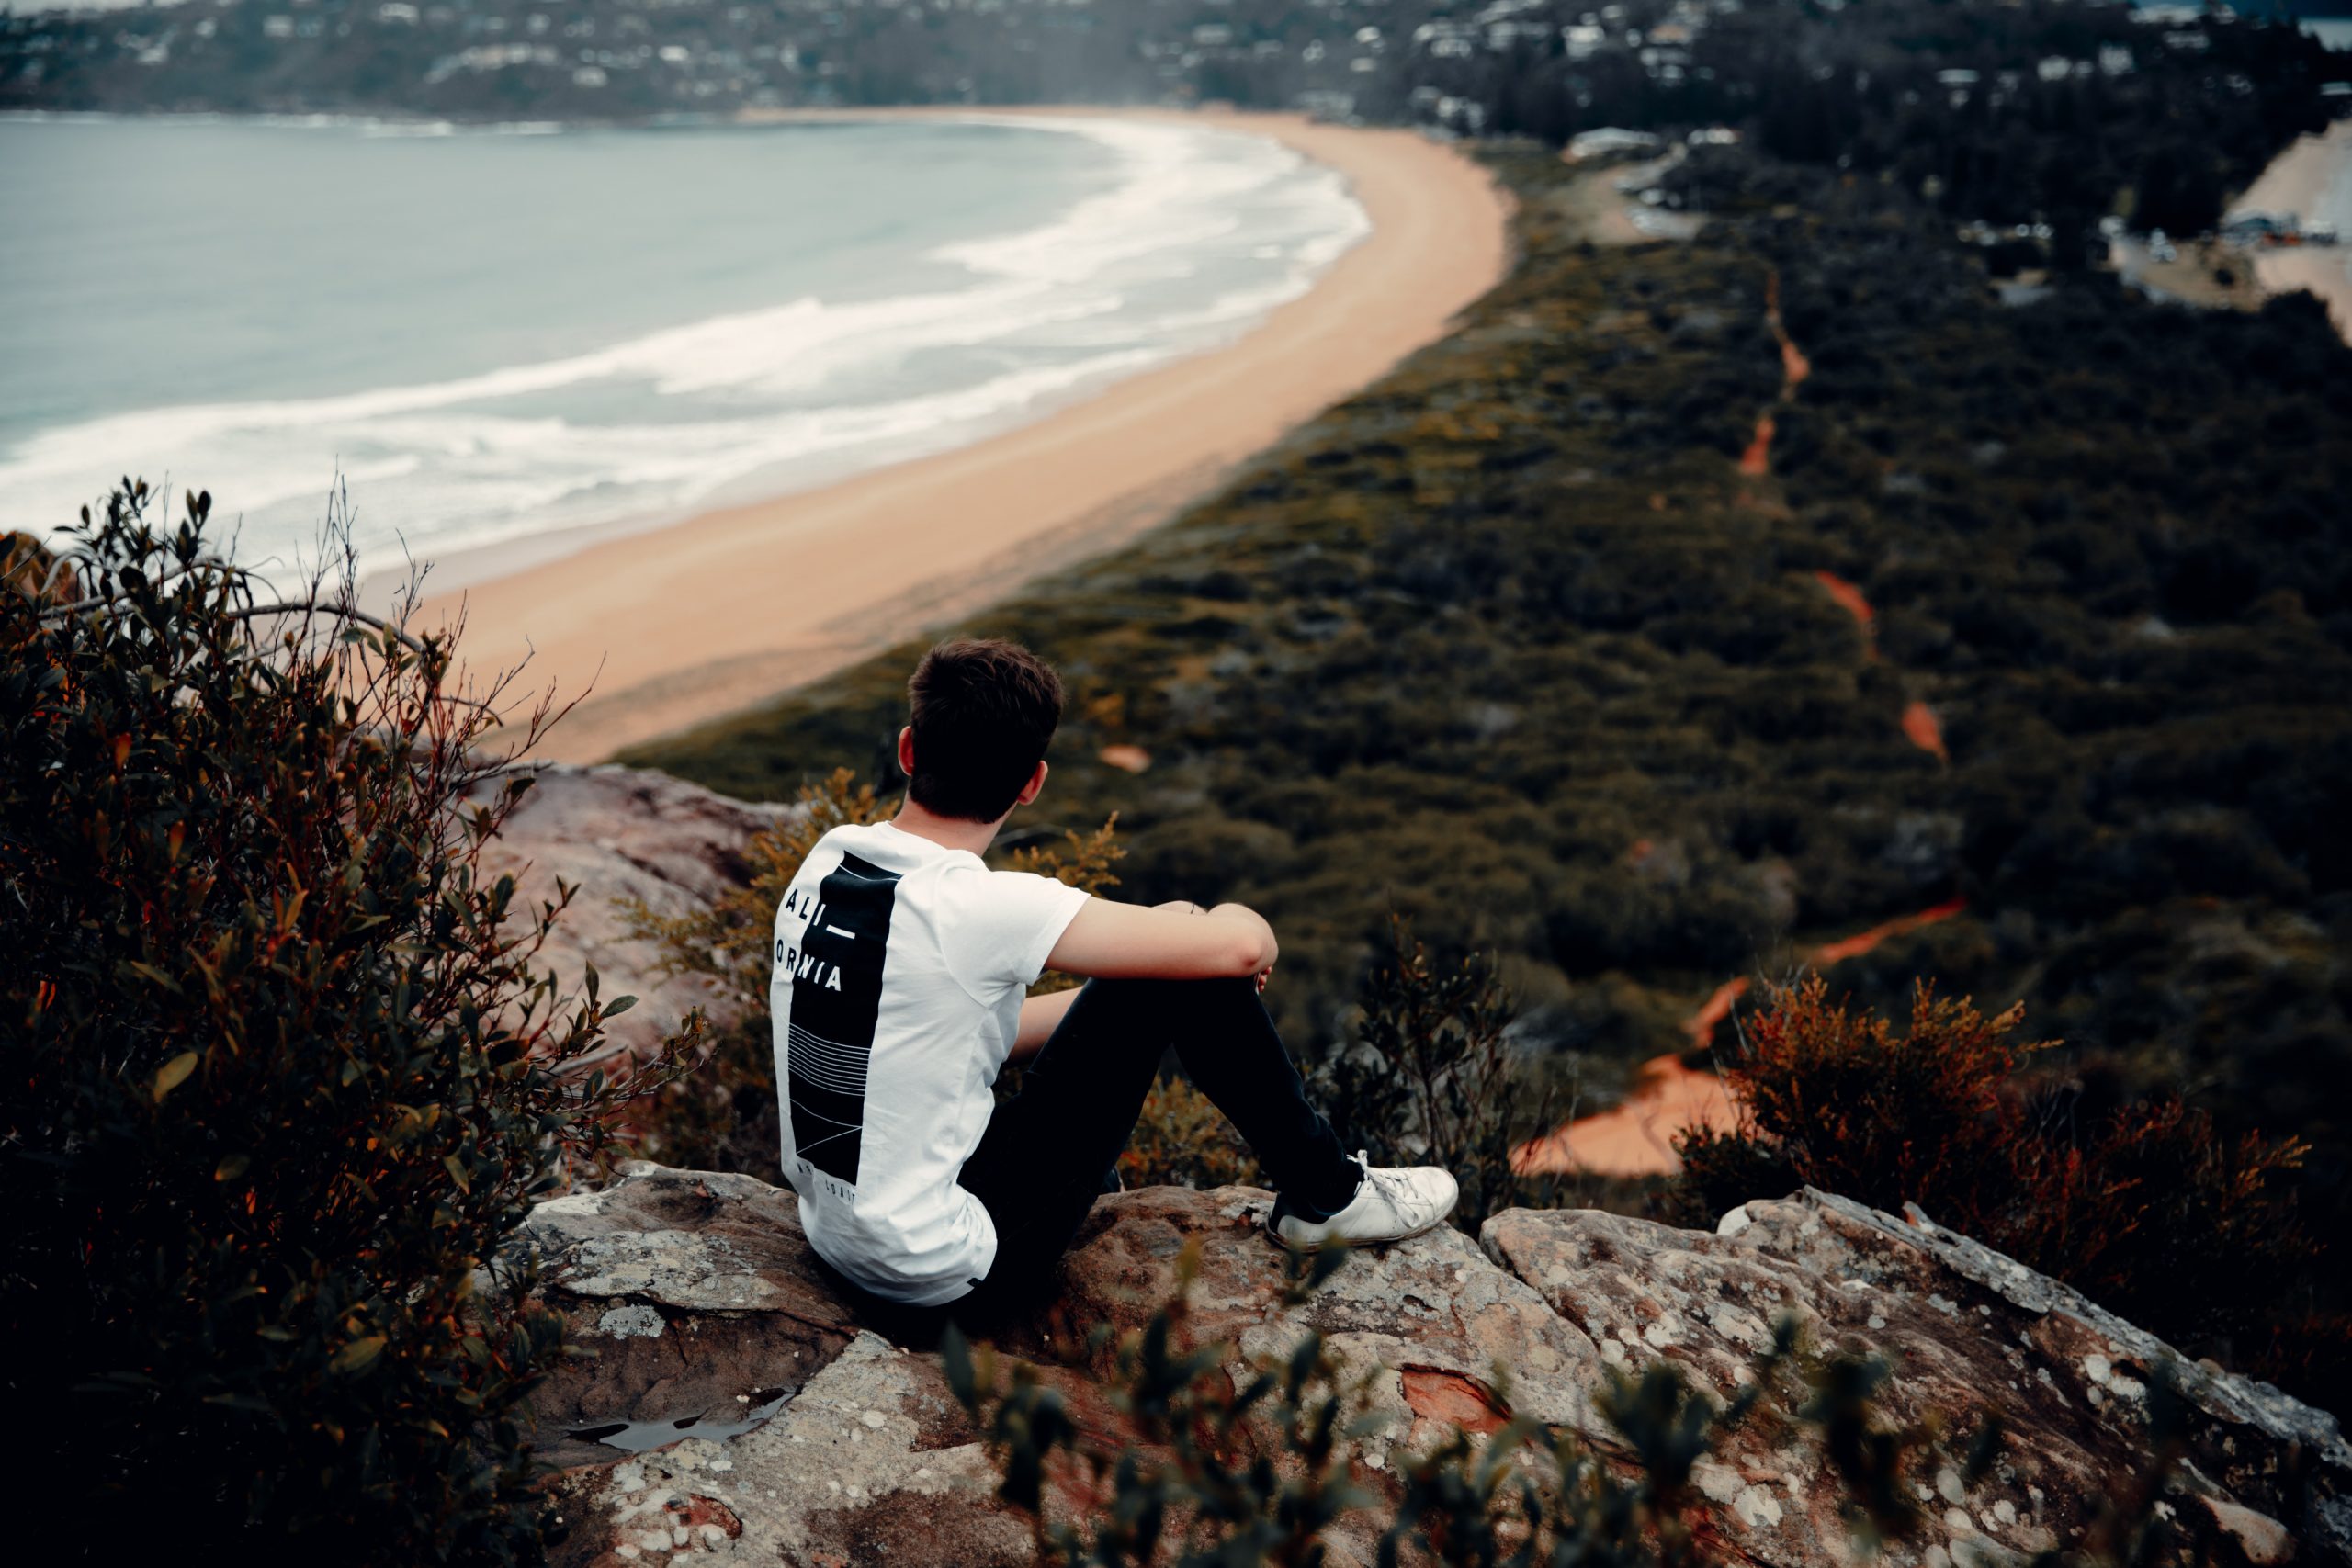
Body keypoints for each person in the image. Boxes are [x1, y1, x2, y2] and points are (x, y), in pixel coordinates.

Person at [770, 637, 1458, 1321]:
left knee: (1170, 967)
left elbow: (946, 1035)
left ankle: (1295, 1179)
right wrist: (1219, 928)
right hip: (947, 1279)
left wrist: (1142, 1000)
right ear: (1033, 782)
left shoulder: (831, 864)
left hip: (842, 1243)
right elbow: (1246, 947)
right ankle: (1327, 1195)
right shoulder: (983, 906)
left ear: (908, 749)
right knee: (1192, 942)